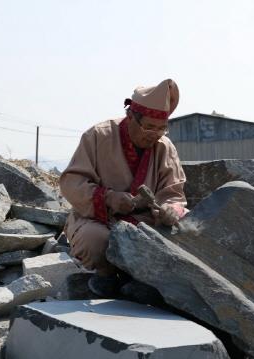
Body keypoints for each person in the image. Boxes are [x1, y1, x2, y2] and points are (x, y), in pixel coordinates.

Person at [59, 79, 188, 297]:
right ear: (130, 116)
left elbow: (174, 193)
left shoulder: (165, 147)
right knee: (95, 241)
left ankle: (145, 282)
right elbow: (72, 183)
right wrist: (108, 198)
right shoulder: (98, 136)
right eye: (149, 127)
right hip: (100, 220)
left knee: (186, 227)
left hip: (146, 224)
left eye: (161, 129)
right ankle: (107, 275)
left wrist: (169, 210)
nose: (154, 134)